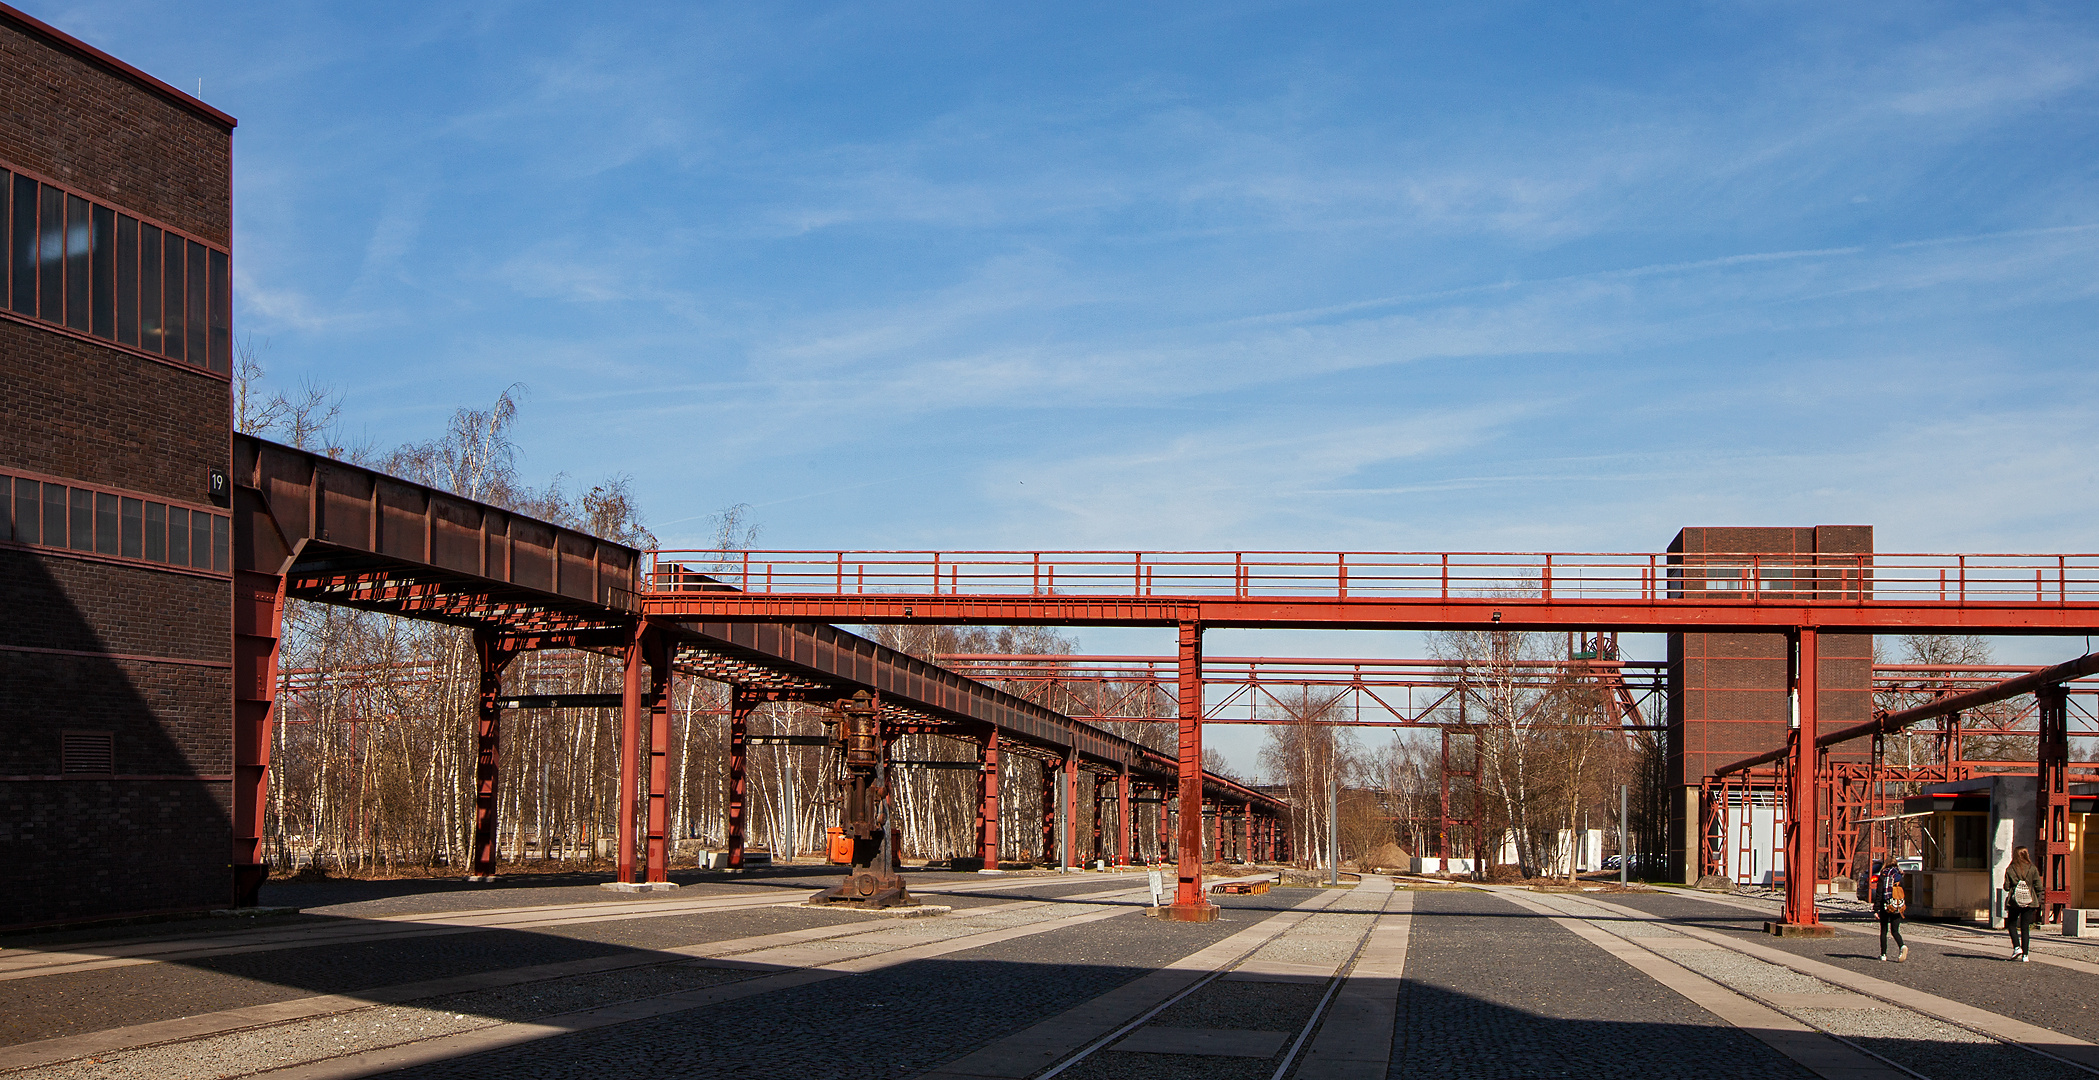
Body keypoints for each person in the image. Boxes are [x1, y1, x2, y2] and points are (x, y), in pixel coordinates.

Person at [2004, 846, 2045, 962]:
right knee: (2025, 927)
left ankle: (2017, 947)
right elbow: (2039, 886)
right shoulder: (2032, 868)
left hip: (2014, 902)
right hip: (2030, 902)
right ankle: (2025, 955)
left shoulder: (2011, 869)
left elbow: (2006, 887)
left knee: (2012, 924)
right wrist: (2035, 897)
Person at [1872, 860, 1907, 962]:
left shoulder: (1884, 876)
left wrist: (1876, 909)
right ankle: (1902, 946)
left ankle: (1883, 954)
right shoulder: (1900, 876)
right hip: (1897, 905)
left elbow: (1879, 893)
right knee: (1895, 930)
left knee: (1884, 930)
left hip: (1886, 905)